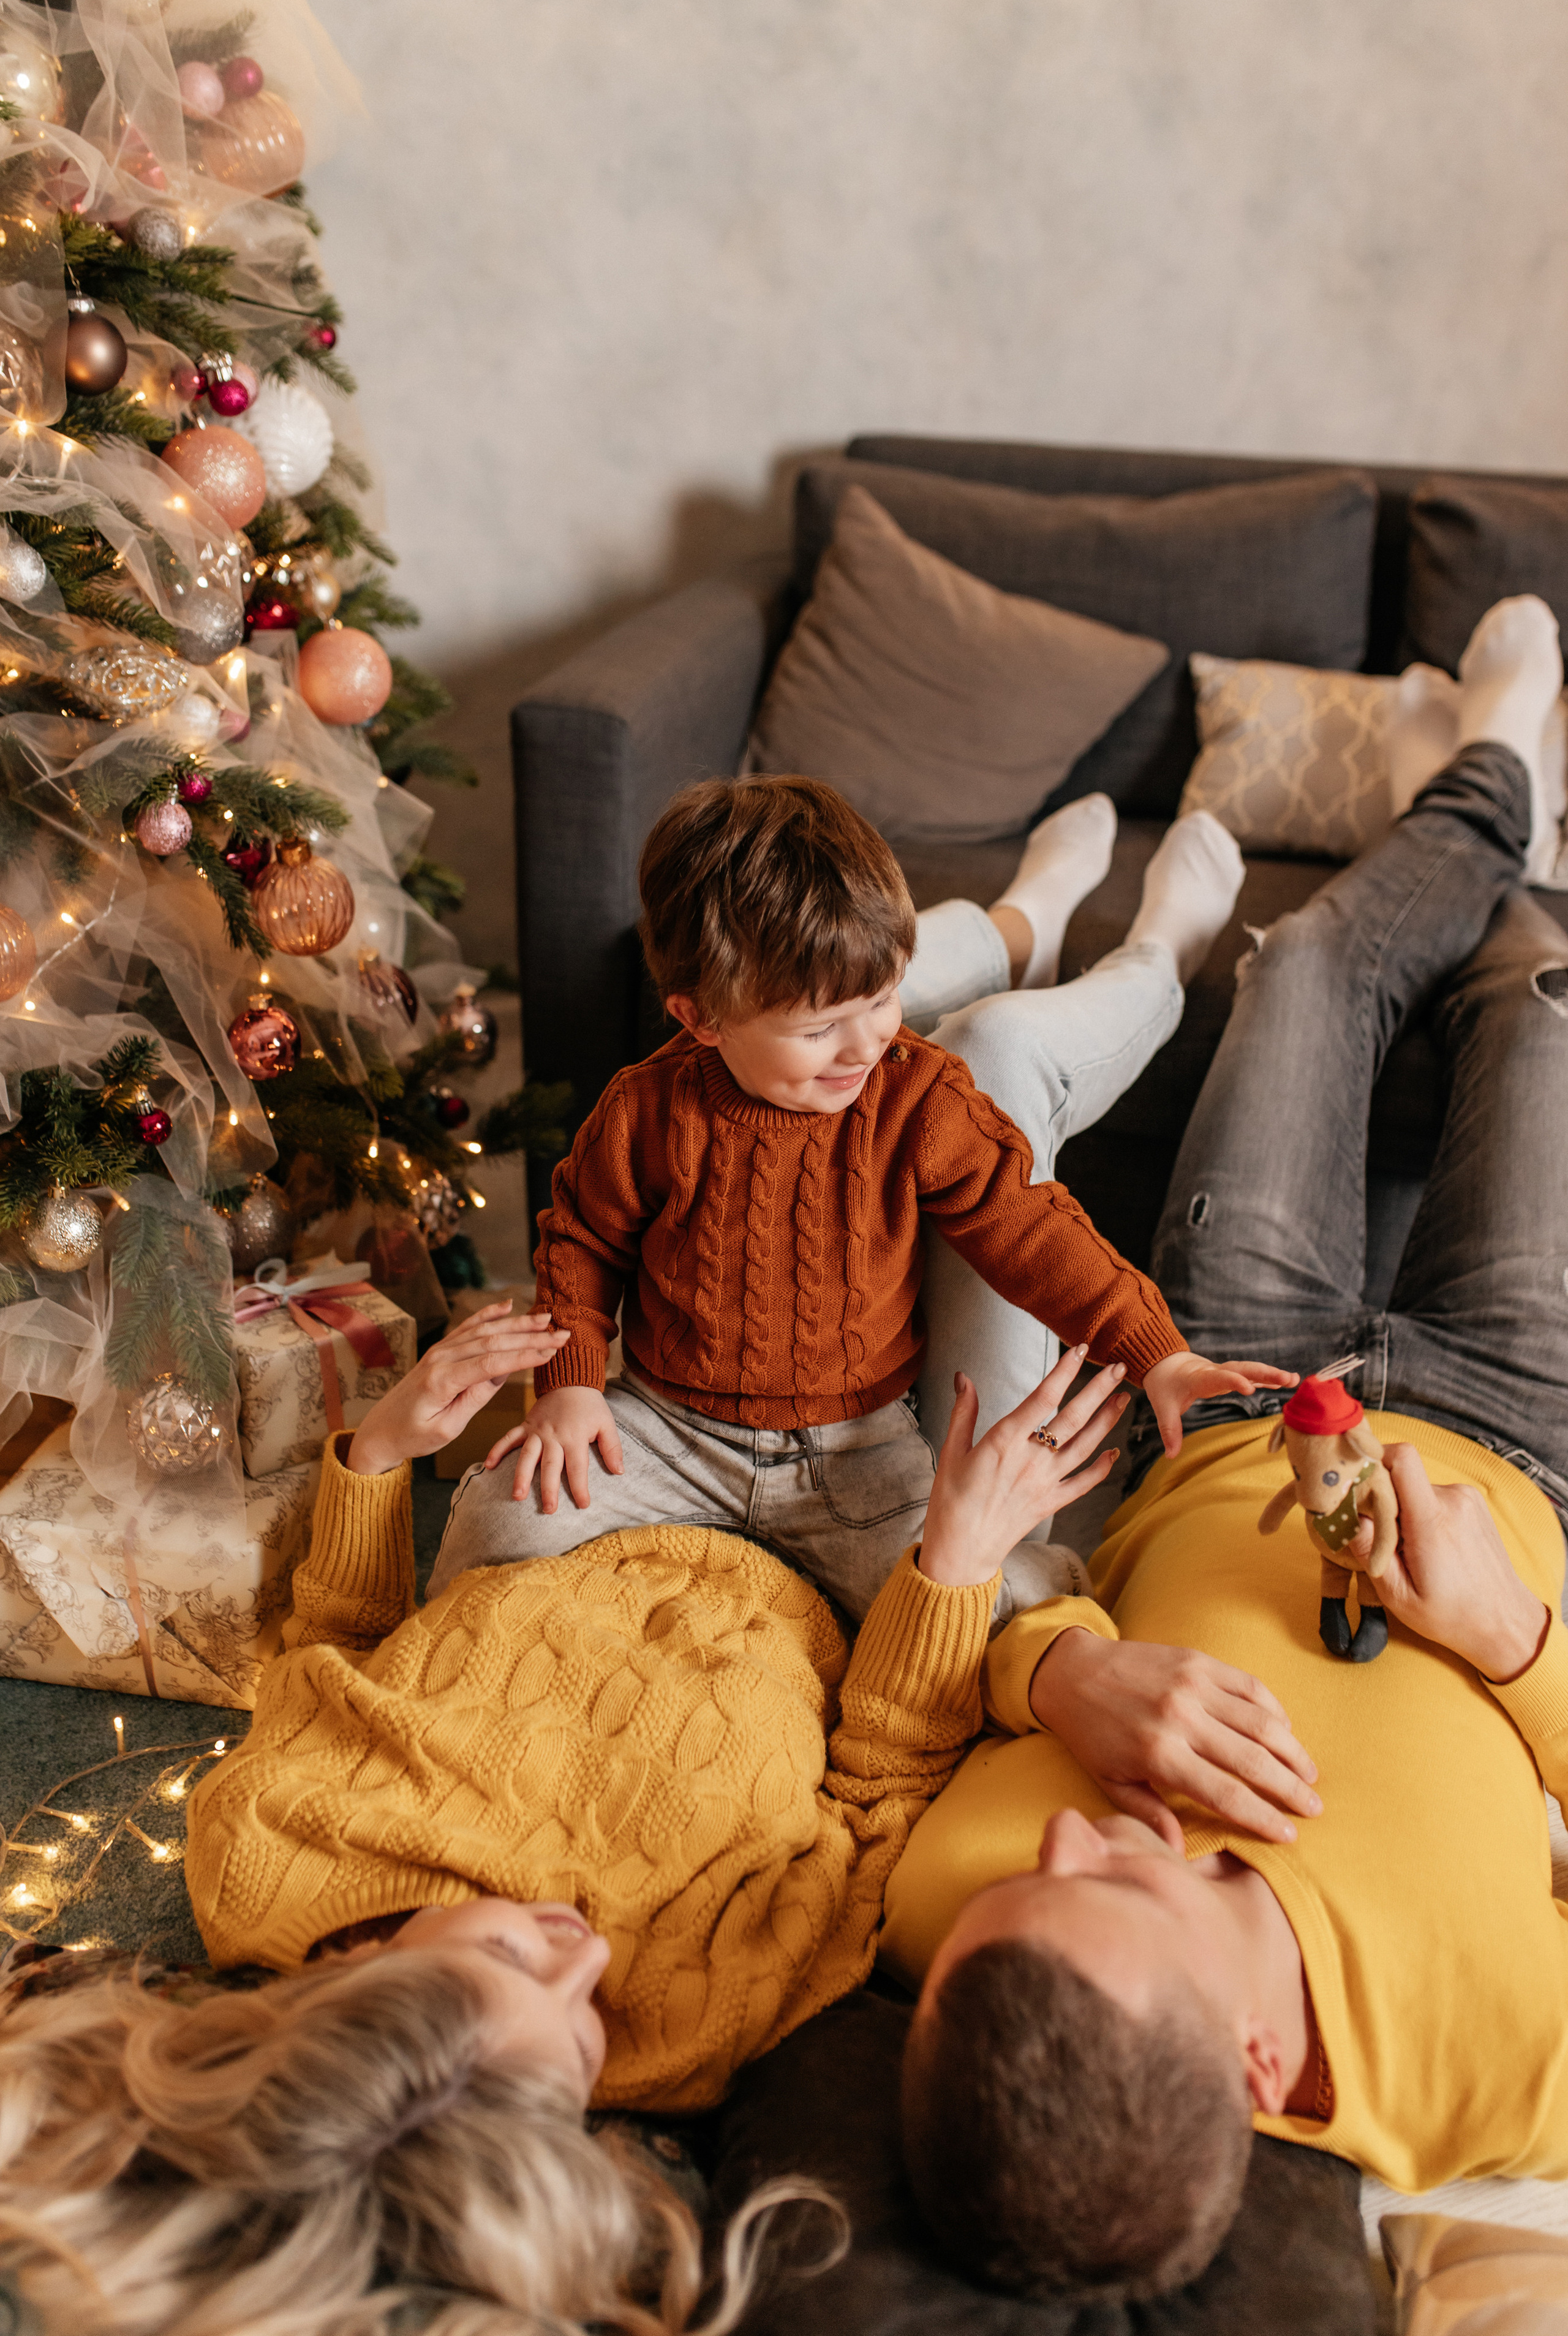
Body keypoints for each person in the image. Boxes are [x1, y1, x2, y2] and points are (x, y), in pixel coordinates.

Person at [0, 1304, 1128, 2336]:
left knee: (828, 1170)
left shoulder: (259, 1859)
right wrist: (957, 1564)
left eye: (508, 1953)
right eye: (583, 2033)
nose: (583, 1954)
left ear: (364, 1957)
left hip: (563, 1517)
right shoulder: (699, 2034)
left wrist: (384, 1450)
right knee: (1029, 1308)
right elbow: (878, 1799)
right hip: (836, 1582)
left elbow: (335, 1649)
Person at [889, 595, 1568, 2304]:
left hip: (1234, 1388)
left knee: (1313, 967)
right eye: (1123, 1881)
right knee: (1542, 996)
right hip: (1525, 1427)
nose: (1069, 1842)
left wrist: (1053, 1682)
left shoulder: (968, 1925)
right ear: (1262, 2075)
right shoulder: (1506, 2065)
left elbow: (929, 1664)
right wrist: (1515, 1641)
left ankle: (1485, 767)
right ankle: (1499, 811)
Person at [431, 773, 1287, 1616]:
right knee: (498, 1522)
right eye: (818, 1029)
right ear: (701, 1021)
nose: (866, 1045)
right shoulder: (644, 1110)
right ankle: (1023, 924)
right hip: (668, 1431)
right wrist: (572, 1385)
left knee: (982, 1605)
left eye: (882, 1001)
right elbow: (582, 1241)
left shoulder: (917, 1093)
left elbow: (1029, 1228)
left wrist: (1158, 1355)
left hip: (855, 1457)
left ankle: (1114, 941)